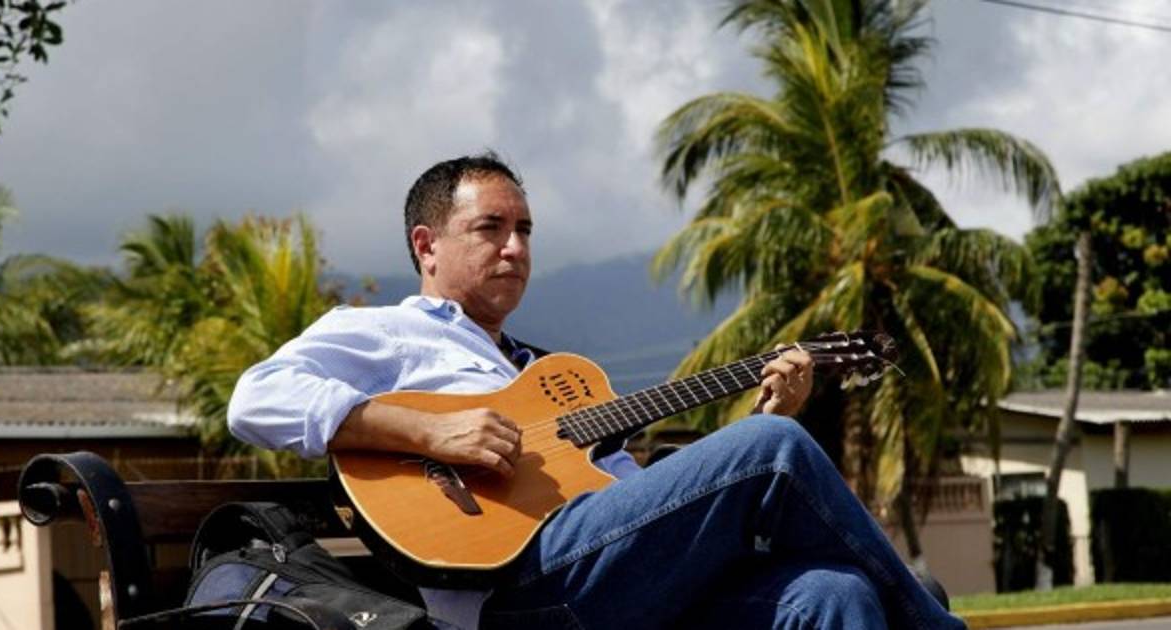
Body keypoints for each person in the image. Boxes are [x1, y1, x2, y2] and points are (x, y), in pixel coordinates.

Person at [228, 152, 967, 630]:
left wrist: (746, 432)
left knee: (835, 595)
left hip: (621, 579)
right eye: (491, 228)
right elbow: (256, 399)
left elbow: (627, 498)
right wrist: (427, 432)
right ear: (427, 245)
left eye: (525, 229)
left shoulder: (545, 372)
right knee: (773, 448)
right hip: (518, 592)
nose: (516, 247)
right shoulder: (389, 332)